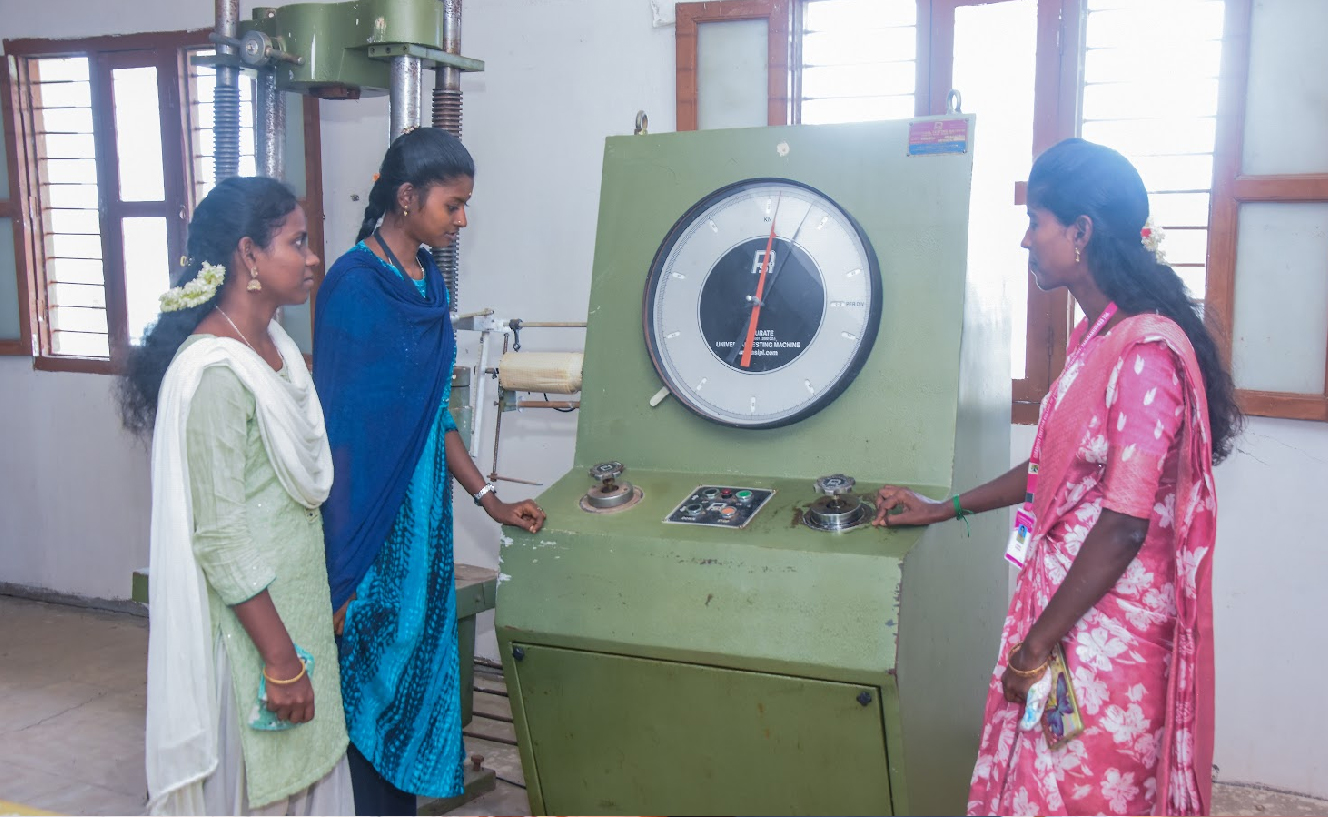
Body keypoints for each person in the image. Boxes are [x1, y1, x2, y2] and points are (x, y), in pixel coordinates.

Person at [873, 138, 1241, 816]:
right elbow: (1050, 470)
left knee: (1086, 791)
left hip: (1105, 639)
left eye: (1036, 220)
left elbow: (1124, 523)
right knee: (1041, 786)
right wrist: (943, 507)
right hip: (1067, 616)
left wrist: (1037, 644)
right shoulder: (1096, 337)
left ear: (1081, 232)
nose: (1026, 239)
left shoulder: (1145, 354)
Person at [313, 127, 546, 816]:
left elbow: (433, 411)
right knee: (368, 677)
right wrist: (341, 568)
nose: (462, 220)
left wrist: (488, 498)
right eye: (454, 204)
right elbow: (341, 432)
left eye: (466, 205)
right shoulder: (354, 286)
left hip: (424, 520)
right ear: (407, 196)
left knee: (414, 671)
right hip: (372, 524)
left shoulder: (427, 281)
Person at [118, 177, 352, 815]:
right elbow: (220, 536)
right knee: (259, 789)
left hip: (294, 615)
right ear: (249, 254)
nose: (312, 258)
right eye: (297, 242)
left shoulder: (274, 347)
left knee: (306, 773)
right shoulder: (216, 375)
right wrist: (281, 659)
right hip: (253, 641)